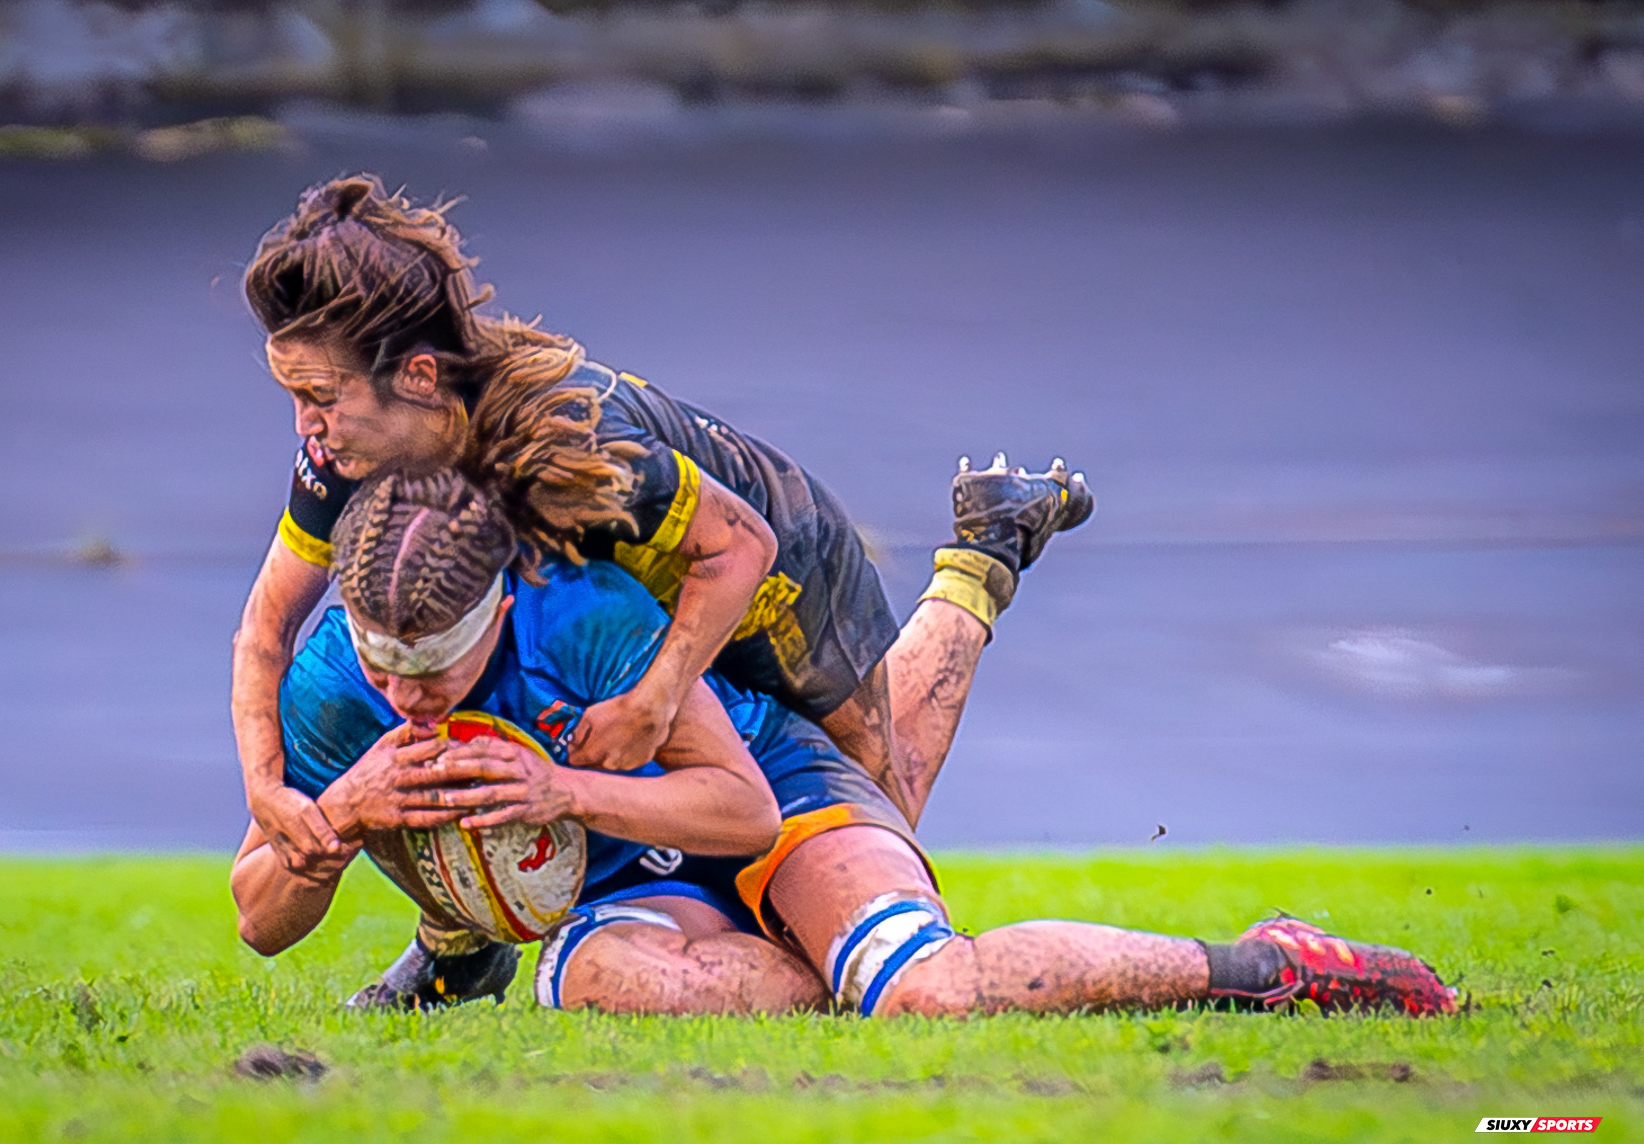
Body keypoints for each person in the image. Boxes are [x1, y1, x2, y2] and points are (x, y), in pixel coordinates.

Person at [240, 467, 1459, 1020]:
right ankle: (979, 567)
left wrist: (558, 784)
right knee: (592, 981)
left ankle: (1267, 964)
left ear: (499, 603)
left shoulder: (583, 614)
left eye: (439, 663)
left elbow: (741, 814)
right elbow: (258, 918)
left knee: (923, 991)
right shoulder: (337, 686)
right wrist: (337, 818)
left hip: (768, 787)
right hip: (632, 901)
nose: (409, 694)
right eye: (384, 661)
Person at [231, 175, 1093, 887]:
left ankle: (982, 557)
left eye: (318, 397)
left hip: (773, 569)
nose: (305, 427)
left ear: (418, 377)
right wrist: (267, 790)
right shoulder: (348, 456)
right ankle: (458, 943)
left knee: (871, 817)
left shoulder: (574, 440)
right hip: (656, 587)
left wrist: (656, 698)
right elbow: (266, 627)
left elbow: (741, 547)